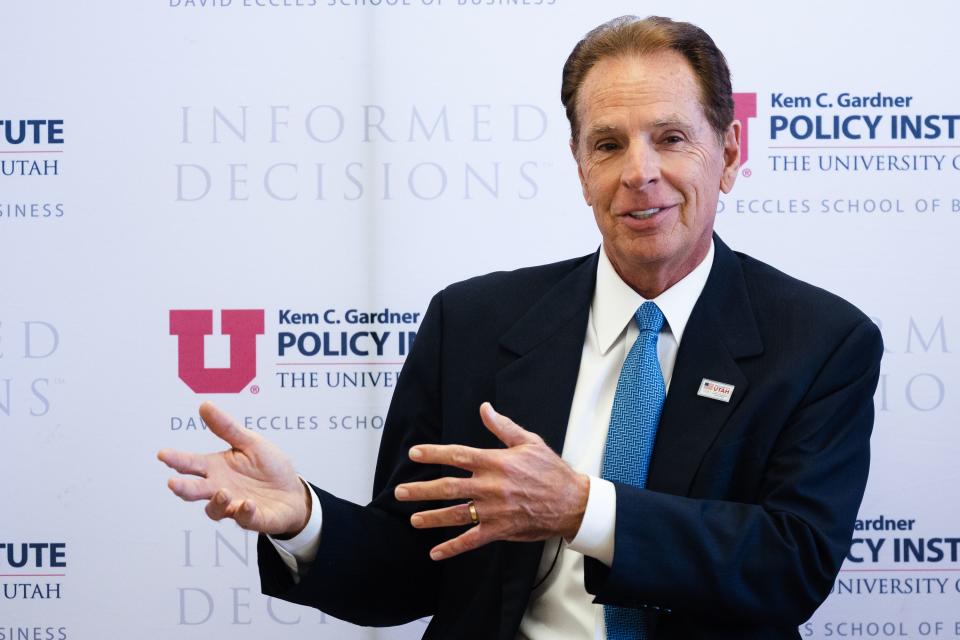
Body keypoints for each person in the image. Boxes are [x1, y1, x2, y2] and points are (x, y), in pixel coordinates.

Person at [159, 16, 883, 640]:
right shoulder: (471, 324)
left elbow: (790, 565)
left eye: (670, 138)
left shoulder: (820, 342)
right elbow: (408, 573)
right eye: (608, 145)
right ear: (578, 167)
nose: (640, 173)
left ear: (728, 156)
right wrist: (304, 519)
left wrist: (581, 509)